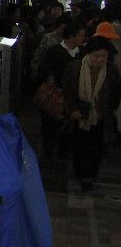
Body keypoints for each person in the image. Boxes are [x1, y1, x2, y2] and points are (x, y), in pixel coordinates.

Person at [62, 36, 120, 192]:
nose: (100, 59)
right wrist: (72, 109)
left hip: (100, 116)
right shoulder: (75, 68)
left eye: (104, 56)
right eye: (96, 56)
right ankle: (80, 173)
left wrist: (109, 109)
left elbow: (115, 93)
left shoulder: (111, 71)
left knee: (96, 147)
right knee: (80, 144)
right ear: (89, 54)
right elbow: (67, 91)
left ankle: (89, 177)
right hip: (79, 114)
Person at [37, 20, 86, 159]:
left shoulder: (83, 53)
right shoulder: (55, 51)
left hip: (73, 98)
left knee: (68, 127)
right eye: (81, 35)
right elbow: (43, 69)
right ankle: (49, 154)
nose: (83, 39)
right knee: (51, 127)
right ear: (71, 35)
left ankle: (62, 155)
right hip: (55, 97)